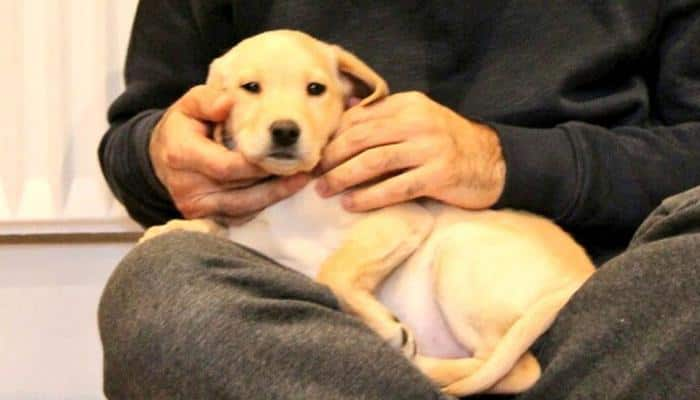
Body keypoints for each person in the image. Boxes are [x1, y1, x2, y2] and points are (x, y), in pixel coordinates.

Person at [97, 1, 700, 398]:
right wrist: (160, 154)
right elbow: (137, 136)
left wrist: (510, 162)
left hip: (597, 303)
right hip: (309, 324)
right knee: (162, 287)